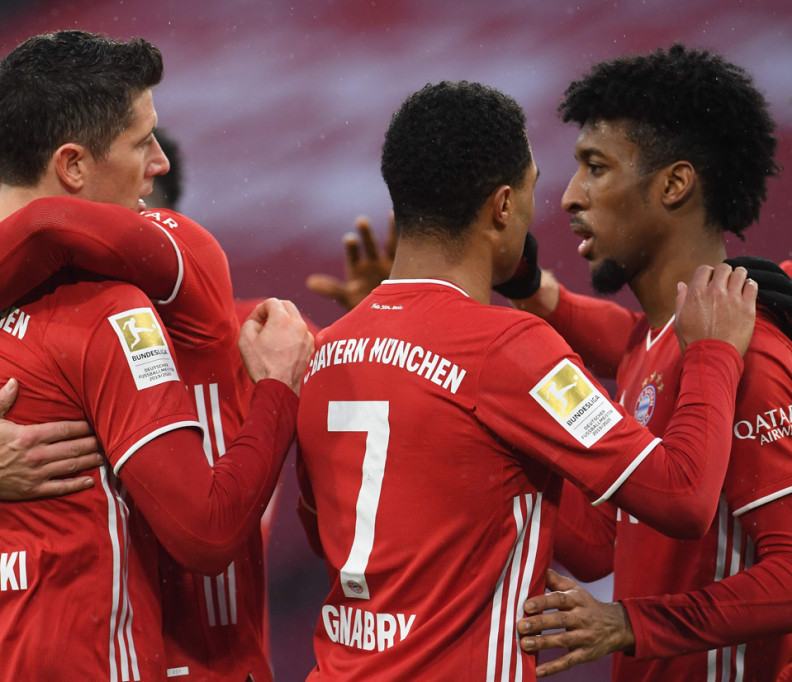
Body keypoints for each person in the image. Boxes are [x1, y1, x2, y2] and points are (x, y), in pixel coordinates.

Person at [0, 31, 312, 681]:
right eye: (143, 144)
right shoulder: (115, 301)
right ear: (71, 163)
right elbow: (206, 533)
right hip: (148, 657)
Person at [294, 79, 758, 681]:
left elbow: (590, 548)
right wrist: (714, 354)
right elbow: (682, 496)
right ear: (503, 206)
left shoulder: (326, 355)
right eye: (538, 188)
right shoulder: (508, 349)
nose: (556, 204)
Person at [506, 45, 792, 681]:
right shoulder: (655, 341)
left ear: (673, 184)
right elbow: (605, 541)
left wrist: (632, 623)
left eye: (596, 168)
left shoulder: (748, 351)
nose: (572, 197)